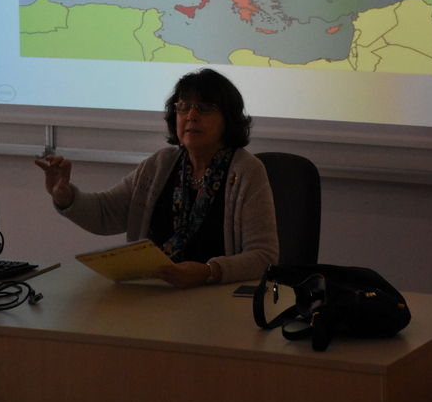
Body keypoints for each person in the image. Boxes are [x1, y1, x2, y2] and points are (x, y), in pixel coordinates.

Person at [36, 68, 278, 289]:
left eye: (205, 108)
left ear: (228, 119)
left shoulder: (247, 171)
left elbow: (264, 256)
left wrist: (209, 272)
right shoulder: (159, 165)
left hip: (218, 298)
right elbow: (106, 213)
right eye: (183, 106)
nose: (191, 115)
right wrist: (66, 196)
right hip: (155, 291)